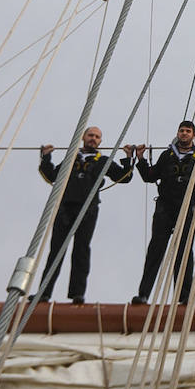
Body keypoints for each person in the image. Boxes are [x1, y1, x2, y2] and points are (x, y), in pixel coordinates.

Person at [37, 126, 133, 303]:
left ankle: (77, 293)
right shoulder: (71, 159)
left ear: (100, 141)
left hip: (88, 210)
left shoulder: (103, 161)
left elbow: (123, 177)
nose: (93, 139)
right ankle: (44, 292)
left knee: (81, 250)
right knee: (56, 251)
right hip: (65, 208)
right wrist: (46, 157)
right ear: (83, 137)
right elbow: (51, 176)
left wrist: (128, 158)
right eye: (91, 135)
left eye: (97, 137)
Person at [131, 120, 195, 306]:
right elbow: (150, 176)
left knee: (184, 251)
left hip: (186, 207)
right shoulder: (167, 155)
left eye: (188, 131)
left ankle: (184, 295)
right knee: (156, 249)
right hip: (165, 207)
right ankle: (143, 294)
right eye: (181, 131)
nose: (184, 134)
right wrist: (140, 159)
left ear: (193, 135)